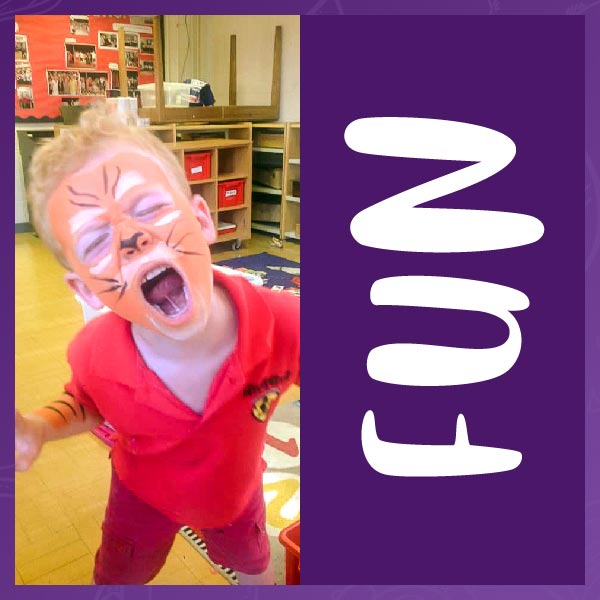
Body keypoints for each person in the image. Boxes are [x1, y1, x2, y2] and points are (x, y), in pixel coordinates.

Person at [15, 102, 300, 585]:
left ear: (202, 220)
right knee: (119, 578)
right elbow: (87, 402)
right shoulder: (95, 353)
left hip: (235, 497)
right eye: (96, 242)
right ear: (87, 290)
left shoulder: (284, 323)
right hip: (139, 497)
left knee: (255, 572)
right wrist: (38, 427)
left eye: (148, 208)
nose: (131, 238)